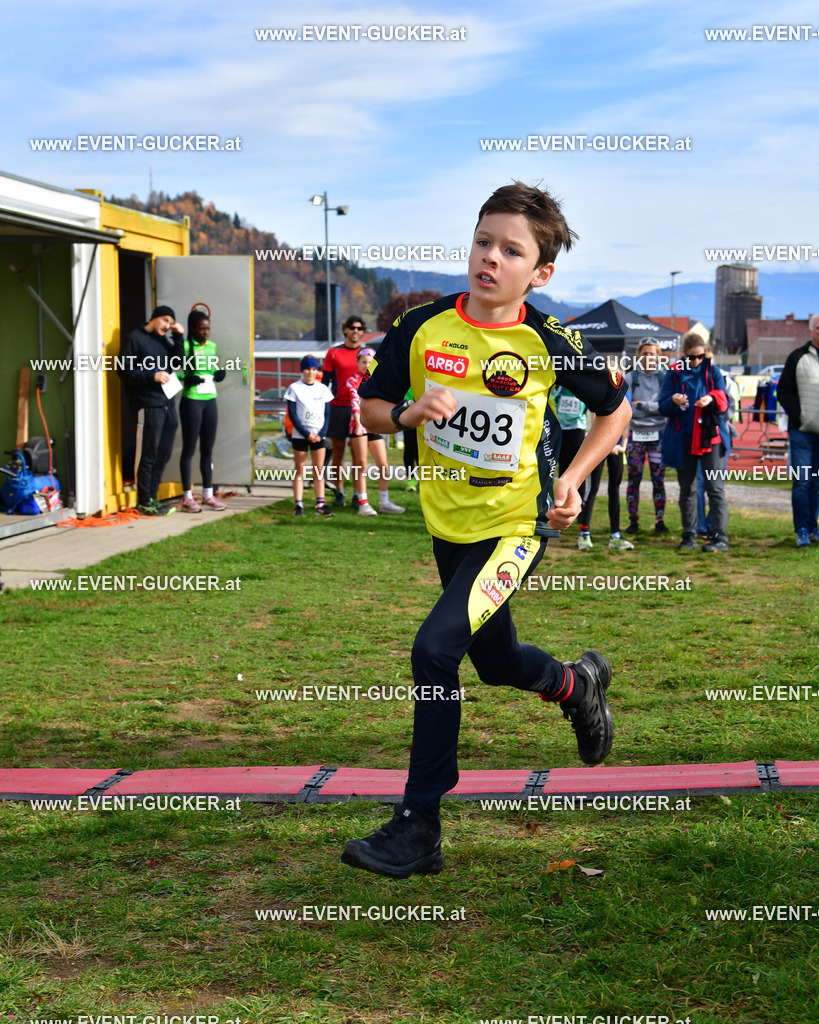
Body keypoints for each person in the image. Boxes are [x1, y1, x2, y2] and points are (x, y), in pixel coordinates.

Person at [341, 182, 630, 879]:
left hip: (516, 525)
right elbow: (372, 409)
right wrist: (409, 413)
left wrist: (574, 478)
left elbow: (613, 410)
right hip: (447, 520)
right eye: (482, 241)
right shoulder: (422, 326)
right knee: (494, 662)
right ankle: (573, 683)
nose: (489, 259)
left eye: (510, 250)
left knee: (435, 650)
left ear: (540, 273)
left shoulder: (548, 340)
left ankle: (419, 825)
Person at [659, 332, 730, 552]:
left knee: (715, 487)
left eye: (700, 356)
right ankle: (689, 534)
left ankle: (719, 536)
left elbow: (724, 399)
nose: (696, 361)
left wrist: (712, 398)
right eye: (691, 357)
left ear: (705, 353)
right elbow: (662, 405)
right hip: (683, 438)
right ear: (683, 355)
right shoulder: (673, 374)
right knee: (687, 488)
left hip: (711, 437)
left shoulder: (713, 371)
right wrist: (673, 399)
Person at [118, 304, 185, 516]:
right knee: (148, 454)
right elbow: (124, 370)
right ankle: (144, 500)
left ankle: (153, 498)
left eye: (171, 323)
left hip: (167, 403)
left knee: (163, 454)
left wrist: (179, 339)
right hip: (147, 405)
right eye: (166, 321)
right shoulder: (134, 338)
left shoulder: (164, 340)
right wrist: (151, 376)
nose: (168, 326)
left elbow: (179, 362)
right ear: (155, 318)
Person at [776, 313, 819, 546]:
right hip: (802, 430)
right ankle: (801, 529)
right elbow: (783, 390)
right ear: (811, 330)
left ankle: (814, 527)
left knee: (816, 483)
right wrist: (799, 415)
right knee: (802, 481)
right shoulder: (797, 357)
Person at [178, 310, 227, 512]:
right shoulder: (185, 346)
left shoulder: (212, 346)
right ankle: (187, 497)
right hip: (192, 401)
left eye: (208, 329)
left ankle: (208, 495)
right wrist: (186, 378)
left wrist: (218, 374)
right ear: (193, 329)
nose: (206, 332)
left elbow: (211, 369)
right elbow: (171, 371)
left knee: (207, 450)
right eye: (202, 329)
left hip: (210, 400)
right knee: (189, 449)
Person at [346, 348, 405, 516]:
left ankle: (384, 502)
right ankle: (362, 503)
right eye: (363, 361)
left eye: (370, 362)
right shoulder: (352, 380)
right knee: (361, 464)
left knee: (383, 465)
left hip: (373, 426)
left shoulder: (377, 380)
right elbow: (355, 403)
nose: (366, 365)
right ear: (357, 363)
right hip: (358, 425)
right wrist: (358, 424)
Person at [625, 340, 668, 535]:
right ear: (638, 356)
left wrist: (643, 405)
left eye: (652, 354)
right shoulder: (629, 378)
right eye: (645, 354)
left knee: (659, 479)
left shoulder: (665, 378)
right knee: (634, 479)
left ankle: (660, 521)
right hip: (636, 435)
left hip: (658, 435)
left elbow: (666, 408)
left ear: (658, 356)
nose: (648, 357)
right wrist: (652, 408)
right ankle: (633, 521)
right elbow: (626, 409)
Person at [322, 315, 365, 507]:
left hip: (360, 409)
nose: (356, 331)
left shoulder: (367, 354)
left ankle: (358, 494)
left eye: (359, 328)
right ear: (345, 330)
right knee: (338, 453)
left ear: (363, 332)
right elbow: (324, 382)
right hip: (338, 407)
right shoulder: (333, 352)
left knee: (359, 457)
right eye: (352, 328)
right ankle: (339, 492)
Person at [283, 357, 334, 517]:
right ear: (302, 370)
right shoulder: (294, 388)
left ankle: (320, 504)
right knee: (300, 469)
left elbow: (327, 413)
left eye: (313, 369)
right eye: (307, 369)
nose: (310, 372)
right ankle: (298, 505)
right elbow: (292, 414)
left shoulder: (323, 389)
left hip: (319, 436)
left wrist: (321, 434)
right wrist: (306, 434)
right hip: (300, 435)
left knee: (319, 471)